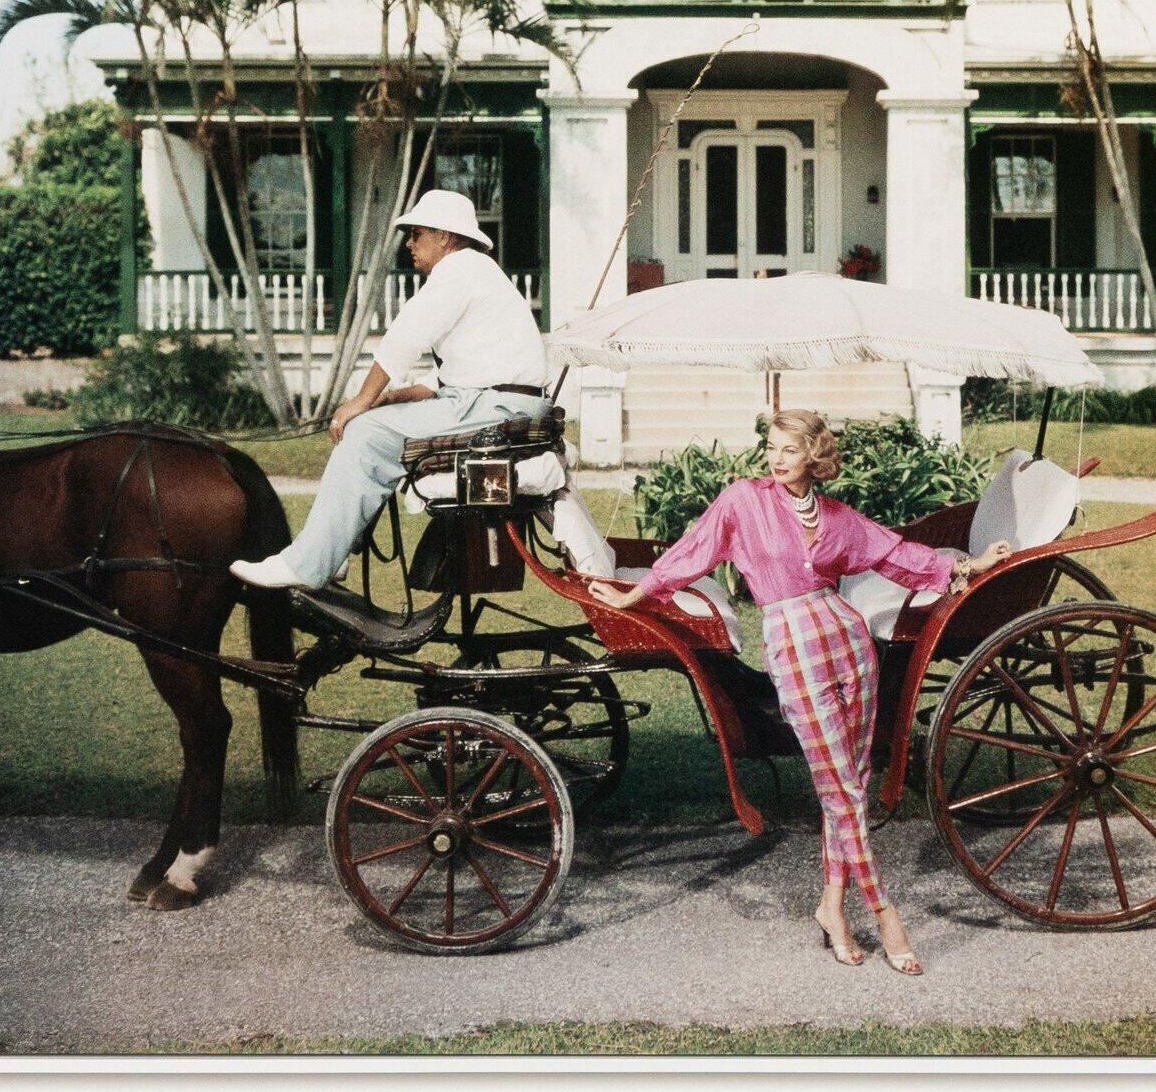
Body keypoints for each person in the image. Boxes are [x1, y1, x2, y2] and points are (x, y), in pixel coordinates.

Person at [588, 410, 1012, 975]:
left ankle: (832, 907)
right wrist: (631, 596)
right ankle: (885, 910)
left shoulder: (834, 515)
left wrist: (968, 565)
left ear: (813, 457)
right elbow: (691, 552)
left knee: (853, 780)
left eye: (790, 449)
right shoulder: (744, 501)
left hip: (848, 640)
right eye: (772, 446)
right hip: (793, 645)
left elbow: (894, 554)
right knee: (838, 787)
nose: (777, 457)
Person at [230, 189, 550, 591]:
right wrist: (387, 399)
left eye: (417, 234)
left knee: (365, 433)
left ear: (445, 237)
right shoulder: (477, 272)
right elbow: (452, 377)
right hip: (494, 402)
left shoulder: (459, 270)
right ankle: (334, 552)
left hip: (496, 407)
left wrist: (360, 402)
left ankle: (309, 565)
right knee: (373, 423)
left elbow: (404, 338)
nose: (410, 245)